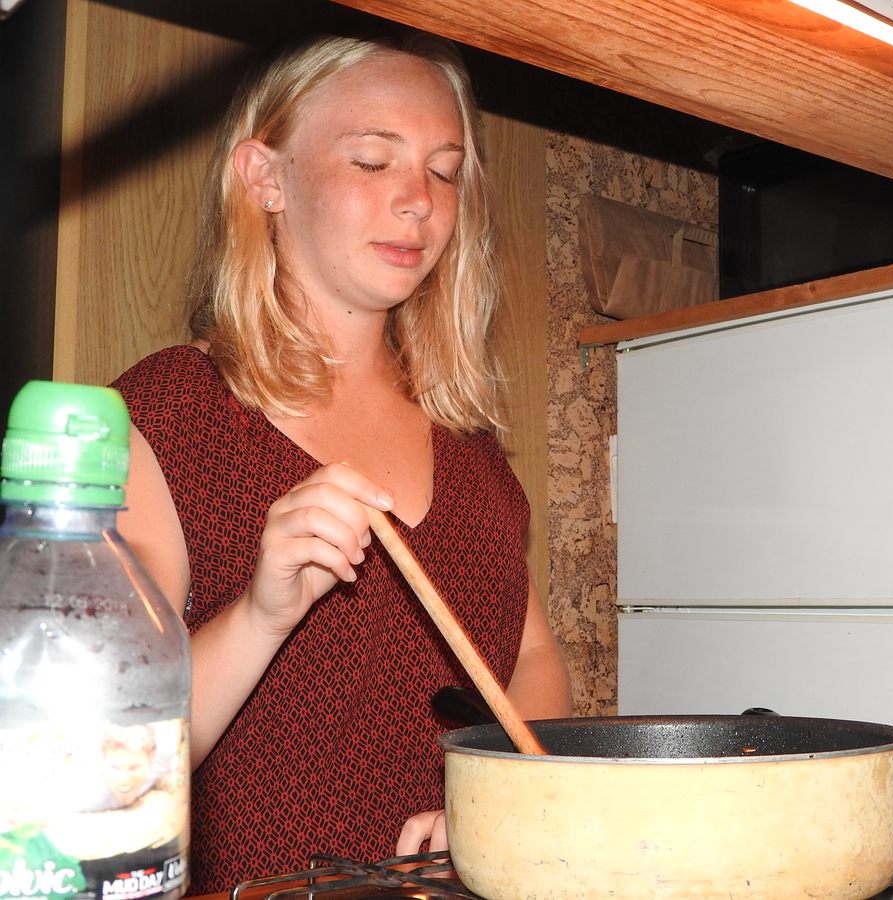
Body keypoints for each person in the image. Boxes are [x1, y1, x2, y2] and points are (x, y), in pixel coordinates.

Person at [111, 30, 572, 895]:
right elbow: (118, 754)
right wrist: (261, 614)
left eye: (444, 171)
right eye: (371, 160)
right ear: (266, 178)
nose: (418, 201)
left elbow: (533, 659)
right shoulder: (167, 412)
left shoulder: (467, 440)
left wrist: (502, 793)